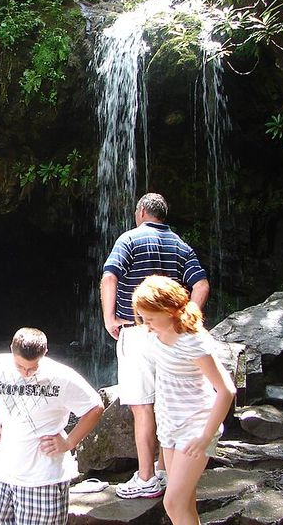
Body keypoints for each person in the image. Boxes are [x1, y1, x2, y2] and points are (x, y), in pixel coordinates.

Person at [100, 192, 210, 499]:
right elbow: (201, 284)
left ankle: (146, 478)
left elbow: (110, 276)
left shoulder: (129, 239)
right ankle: (163, 471)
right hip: (170, 334)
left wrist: (109, 317)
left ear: (141, 212)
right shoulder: (181, 245)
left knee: (142, 407)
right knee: (166, 401)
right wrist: (187, 319)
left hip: (136, 331)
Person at [132, 275, 235, 525]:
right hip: (170, 425)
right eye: (142, 319)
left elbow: (226, 390)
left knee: (172, 503)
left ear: (169, 311)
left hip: (196, 426)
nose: (145, 325)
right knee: (185, 503)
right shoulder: (155, 334)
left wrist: (206, 436)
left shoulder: (192, 340)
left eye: (150, 319)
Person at [0, 328, 105, 525]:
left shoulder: (62, 376)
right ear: (12, 349)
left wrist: (69, 442)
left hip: (44, 479)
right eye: (19, 366)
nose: (26, 373)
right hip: (0, 472)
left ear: (44, 353)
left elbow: (95, 407)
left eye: (32, 368)